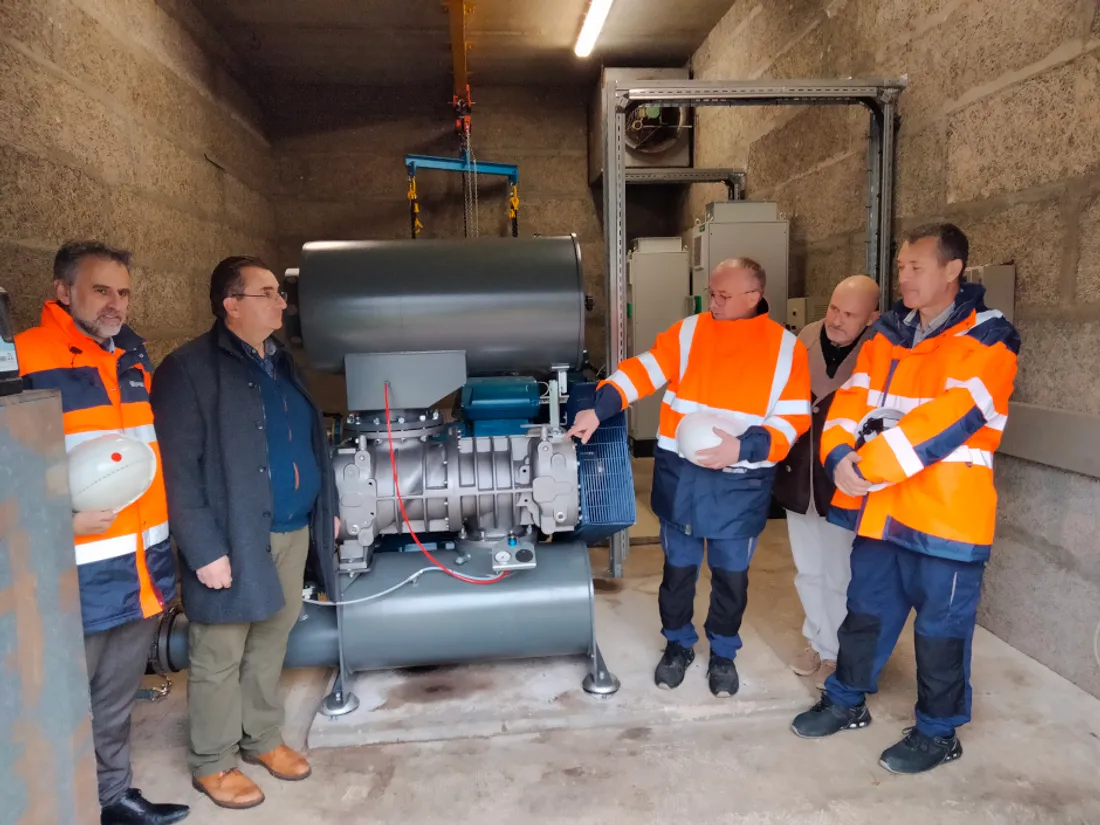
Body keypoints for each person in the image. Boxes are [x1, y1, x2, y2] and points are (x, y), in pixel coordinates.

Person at [790, 223, 1020, 774]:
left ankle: (939, 733)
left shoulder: (991, 338)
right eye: (900, 267)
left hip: (947, 519)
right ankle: (846, 700)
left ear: (951, 270)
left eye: (916, 267)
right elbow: (850, 399)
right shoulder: (889, 332)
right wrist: (837, 455)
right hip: (884, 510)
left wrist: (860, 464)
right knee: (864, 613)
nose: (904, 276)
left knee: (941, 633)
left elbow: (946, 421)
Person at [568, 258, 811, 697]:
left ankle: (723, 653)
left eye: (722, 296)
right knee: (678, 572)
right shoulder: (689, 333)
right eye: (711, 293)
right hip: (682, 479)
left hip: (740, 483)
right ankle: (677, 644)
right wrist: (599, 408)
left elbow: (794, 419)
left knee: (730, 578)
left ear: (754, 298)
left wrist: (743, 448)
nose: (712, 302)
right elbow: (642, 371)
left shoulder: (785, 348)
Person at [149, 257, 338, 810]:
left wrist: (320, 506)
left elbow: (306, 441)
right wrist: (203, 548)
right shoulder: (188, 369)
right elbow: (176, 470)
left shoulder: (281, 363)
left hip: (290, 529)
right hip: (230, 538)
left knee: (270, 643)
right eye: (268, 293)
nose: (282, 303)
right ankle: (212, 761)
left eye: (280, 294)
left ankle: (261, 738)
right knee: (219, 650)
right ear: (231, 304)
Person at [15, 241, 190, 825]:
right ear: (63, 291)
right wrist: (54, 521)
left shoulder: (132, 359)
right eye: (101, 290)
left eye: (124, 292)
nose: (117, 304)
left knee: (114, 702)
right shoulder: (20, 359)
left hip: (138, 567)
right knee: (55, 706)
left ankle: (112, 799)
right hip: (68, 573)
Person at [773, 275, 880, 689]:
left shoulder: (881, 349)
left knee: (841, 573)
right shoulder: (805, 338)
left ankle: (839, 652)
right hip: (800, 473)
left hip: (846, 480)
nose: (835, 320)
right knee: (808, 569)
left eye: (849, 314)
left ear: (871, 317)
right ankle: (815, 641)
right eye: (833, 308)